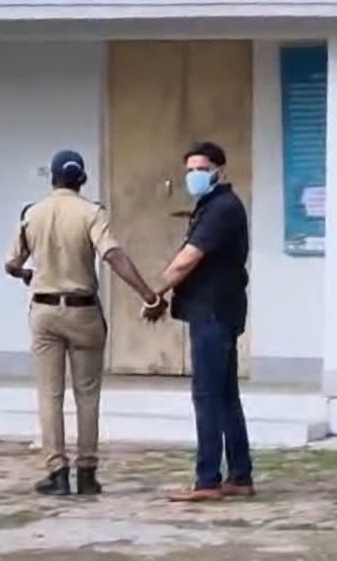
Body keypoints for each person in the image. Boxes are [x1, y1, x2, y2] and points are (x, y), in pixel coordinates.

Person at [5, 149, 167, 496]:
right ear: (82, 179)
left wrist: (27, 273)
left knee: (49, 395)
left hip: (44, 311)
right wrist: (148, 294)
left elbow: (12, 263)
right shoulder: (92, 213)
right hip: (83, 313)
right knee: (88, 395)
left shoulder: (32, 214)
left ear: (52, 178)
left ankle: (57, 472)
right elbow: (112, 255)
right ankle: (87, 473)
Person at [143, 141, 254, 502]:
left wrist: (154, 293)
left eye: (201, 170)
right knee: (225, 395)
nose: (194, 176)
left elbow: (186, 261)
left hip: (213, 312)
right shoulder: (212, 206)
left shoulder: (221, 208)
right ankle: (239, 475)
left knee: (207, 396)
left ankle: (207, 480)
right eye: (189, 170)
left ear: (220, 171)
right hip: (218, 310)